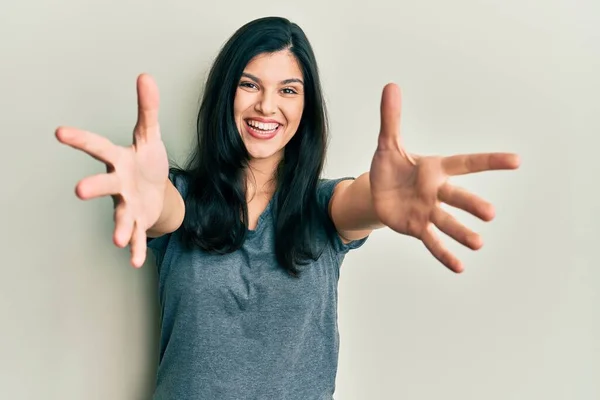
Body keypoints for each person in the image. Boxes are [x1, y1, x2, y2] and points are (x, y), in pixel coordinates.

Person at [55, 16, 520, 400]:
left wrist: (379, 203)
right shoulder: (180, 197)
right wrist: (149, 196)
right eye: (249, 85)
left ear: (306, 107)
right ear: (225, 95)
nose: (266, 106)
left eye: (288, 90)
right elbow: (165, 209)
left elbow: (355, 205)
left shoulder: (323, 207)